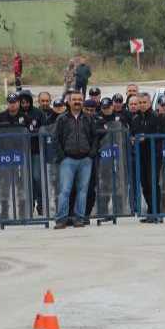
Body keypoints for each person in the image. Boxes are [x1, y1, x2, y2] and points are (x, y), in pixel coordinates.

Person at [52, 92, 96, 228]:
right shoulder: (62, 119)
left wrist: (91, 155)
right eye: (74, 100)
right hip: (68, 160)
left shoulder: (88, 118)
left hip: (85, 160)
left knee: (83, 191)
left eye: (80, 99)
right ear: (69, 102)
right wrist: (62, 156)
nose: (77, 102)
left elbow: (95, 137)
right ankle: (61, 219)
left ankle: (79, 218)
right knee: (65, 190)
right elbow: (55, 138)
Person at [130, 93, 165, 222]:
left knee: (152, 183)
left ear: (150, 103)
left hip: (154, 155)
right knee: (144, 184)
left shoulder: (157, 117)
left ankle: (157, 213)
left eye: (144, 102)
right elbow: (132, 134)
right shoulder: (135, 119)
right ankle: (151, 212)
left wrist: (147, 137)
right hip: (141, 155)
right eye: (140, 103)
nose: (142, 105)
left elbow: (162, 133)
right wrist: (133, 139)